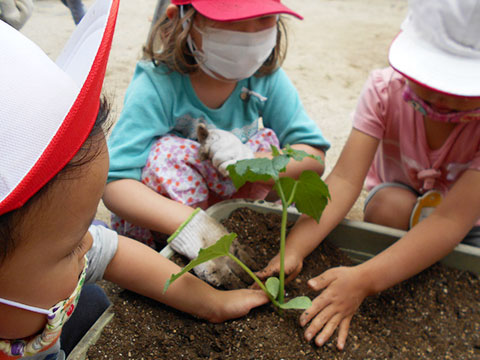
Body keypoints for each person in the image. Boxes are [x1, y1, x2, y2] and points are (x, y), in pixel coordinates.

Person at [0, 0, 268, 358]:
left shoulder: (44, 253)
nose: (89, 245)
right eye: (69, 249)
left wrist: (211, 303)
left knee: (91, 302)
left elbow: (111, 251)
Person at [257, 0, 480, 351]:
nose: (440, 96)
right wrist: (294, 249)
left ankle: (407, 261)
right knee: (386, 207)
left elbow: (452, 221)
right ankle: (405, 257)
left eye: (458, 89)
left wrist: (364, 279)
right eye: (429, 79)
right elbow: (345, 180)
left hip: (469, 217)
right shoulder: (383, 91)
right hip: (401, 197)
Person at [103, 0, 330, 287]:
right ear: (180, 21)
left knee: (270, 145)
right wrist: (192, 225)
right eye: (231, 22)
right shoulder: (158, 84)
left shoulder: (265, 78)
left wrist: (253, 161)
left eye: (263, 19)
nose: (249, 35)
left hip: (239, 220)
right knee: (163, 155)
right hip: (168, 226)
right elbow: (116, 183)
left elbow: (313, 155)